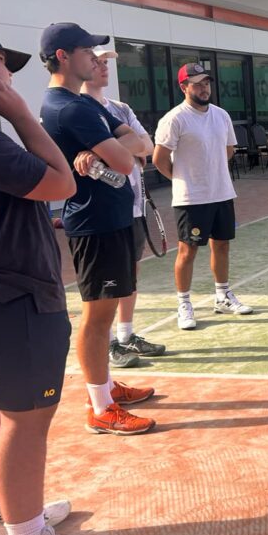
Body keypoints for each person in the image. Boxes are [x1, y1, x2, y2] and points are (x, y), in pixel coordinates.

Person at [0, 21, 111, 535]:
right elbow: (63, 184)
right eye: (2, 61)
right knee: (25, 422)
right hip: (12, 294)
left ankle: (7, 518)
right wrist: (23, 116)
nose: (7, 74)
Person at [39, 22, 156, 436]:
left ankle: (106, 388)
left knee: (107, 310)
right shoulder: (68, 108)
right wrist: (114, 150)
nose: (95, 58)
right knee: (97, 315)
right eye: (87, 51)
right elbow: (128, 163)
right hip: (94, 224)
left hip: (113, 219)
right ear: (63, 57)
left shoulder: (88, 107)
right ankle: (100, 406)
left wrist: (105, 149)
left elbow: (142, 146)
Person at [81, 48, 166, 364]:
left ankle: (125, 336)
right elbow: (86, 158)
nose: (104, 68)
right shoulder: (75, 109)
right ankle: (107, 350)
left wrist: (108, 152)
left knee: (130, 273)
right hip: (101, 212)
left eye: (106, 63)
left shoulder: (121, 108)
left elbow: (146, 146)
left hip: (131, 207)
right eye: (98, 62)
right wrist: (124, 152)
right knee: (105, 287)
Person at [153, 62, 253, 331]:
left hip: (221, 193)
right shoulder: (174, 118)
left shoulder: (221, 115)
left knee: (222, 245)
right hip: (191, 198)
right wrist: (183, 179)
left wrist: (211, 172)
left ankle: (222, 296)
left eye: (206, 83)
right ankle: (183, 303)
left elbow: (229, 150)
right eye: (197, 84)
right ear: (184, 87)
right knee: (188, 250)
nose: (204, 88)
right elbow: (159, 159)